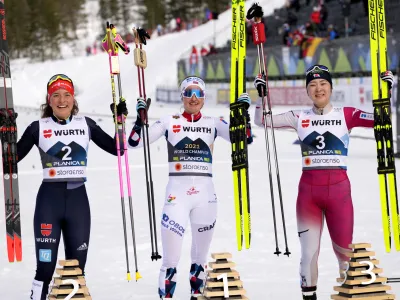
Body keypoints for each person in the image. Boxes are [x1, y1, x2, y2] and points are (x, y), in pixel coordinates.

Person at [253, 65, 394, 300]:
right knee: (308, 254)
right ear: (307, 91)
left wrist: (387, 91)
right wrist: (262, 96)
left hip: (339, 195)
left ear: (331, 87)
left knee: (345, 255)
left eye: (323, 84)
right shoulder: (298, 116)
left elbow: (381, 118)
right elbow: (262, 122)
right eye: (312, 85)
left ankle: (349, 295)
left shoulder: (346, 114)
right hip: (309, 196)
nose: (318, 89)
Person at [127, 76, 253, 299]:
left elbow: (243, 139)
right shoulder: (169, 121)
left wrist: (243, 117)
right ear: (182, 96)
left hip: (206, 197)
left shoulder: (214, 123)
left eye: (198, 93)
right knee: (170, 263)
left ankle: (197, 294)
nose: (193, 98)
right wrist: (139, 121)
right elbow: (135, 142)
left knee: (199, 263)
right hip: (177, 195)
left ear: (204, 97)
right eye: (188, 93)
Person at [11, 74, 127, 300]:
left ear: (74, 99)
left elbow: (119, 149)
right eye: (56, 95)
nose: (61, 100)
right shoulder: (38, 127)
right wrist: (6, 133)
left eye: (66, 95)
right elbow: (10, 159)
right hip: (48, 203)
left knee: (76, 270)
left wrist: (120, 121)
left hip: (78, 203)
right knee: (44, 269)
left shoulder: (86, 125)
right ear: (49, 99)